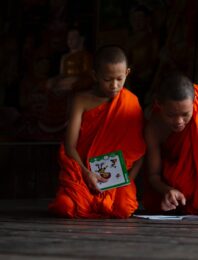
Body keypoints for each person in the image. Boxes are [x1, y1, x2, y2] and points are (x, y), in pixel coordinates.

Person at [48, 45, 146, 218]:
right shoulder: (81, 100)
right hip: (84, 172)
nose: (114, 85)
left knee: (124, 208)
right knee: (65, 206)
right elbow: (70, 146)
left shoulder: (131, 103)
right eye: (108, 79)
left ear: (127, 73)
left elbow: (139, 150)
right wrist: (86, 173)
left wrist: (129, 180)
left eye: (119, 79)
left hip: (117, 178)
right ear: (95, 76)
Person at [142, 73, 198, 215]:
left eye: (185, 114)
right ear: (159, 104)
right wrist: (168, 190)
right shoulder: (154, 128)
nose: (178, 121)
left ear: (194, 101)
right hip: (174, 193)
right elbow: (153, 175)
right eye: (171, 115)